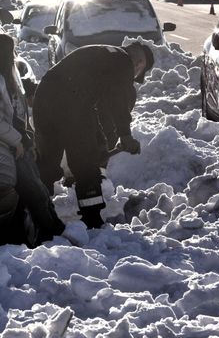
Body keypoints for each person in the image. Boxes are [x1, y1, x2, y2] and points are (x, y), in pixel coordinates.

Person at [32, 42, 154, 228]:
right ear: (139, 63)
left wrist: (100, 139)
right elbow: (117, 100)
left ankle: (38, 216)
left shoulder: (102, 54)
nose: (134, 76)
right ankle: (93, 221)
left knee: (47, 163)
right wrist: (125, 135)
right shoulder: (122, 62)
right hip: (71, 103)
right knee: (87, 166)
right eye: (139, 73)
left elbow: (99, 109)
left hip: (44, 98)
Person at [0, 33, 63, 245]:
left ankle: (52, 233)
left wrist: (26, 139)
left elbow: (14, 113)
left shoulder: (3, 75)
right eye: (11, 51)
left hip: (16, 144)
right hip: (4, 148)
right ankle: (53, 235)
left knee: (38, 190)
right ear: (2, 53)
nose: (14, 55)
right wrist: (16, 140)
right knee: (34, 193)